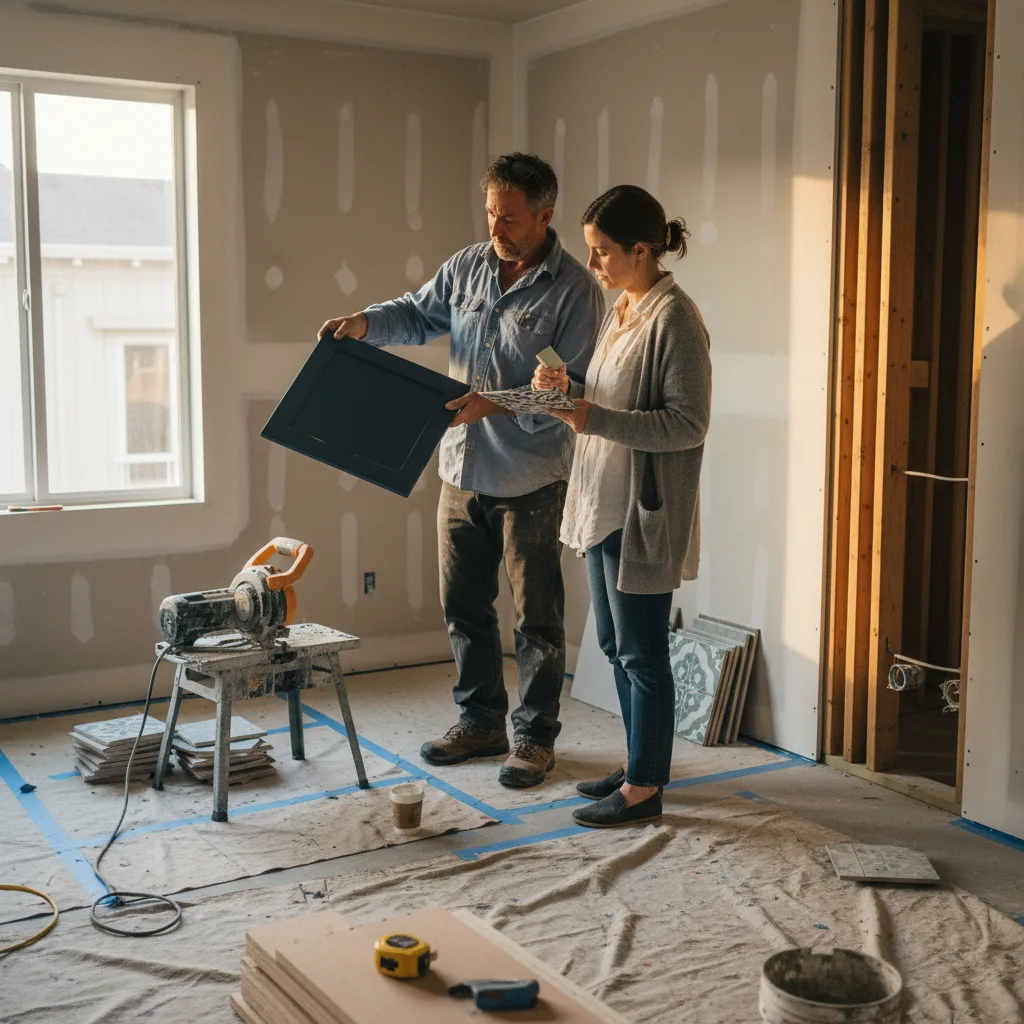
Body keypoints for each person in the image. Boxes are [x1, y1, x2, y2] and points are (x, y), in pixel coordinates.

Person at [318, 154, 603, 788]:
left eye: (510, 218)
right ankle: (479, 723)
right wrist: (364, 324)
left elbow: (572, 396)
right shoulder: (470, 265)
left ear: (545, 216)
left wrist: (490, 405)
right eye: (491, 214)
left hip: (531, 478)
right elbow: (417, 313)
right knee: (463, 607)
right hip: (460, 473)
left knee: (535, 621)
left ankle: (532, 739)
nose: (497, 228)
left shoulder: (576, 291)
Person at [532, 184, 711, 826]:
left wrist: (592, 414)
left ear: (642, 250)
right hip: (601, 503)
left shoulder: (675, 318)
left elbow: (688, 424)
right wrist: (569, 390)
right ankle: (641, 761)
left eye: (603, 252)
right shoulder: (624, 306)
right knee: (613, 645)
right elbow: (608, 400)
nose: (595, 265)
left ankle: (645, 790)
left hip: (642, 514)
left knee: (642, 652)